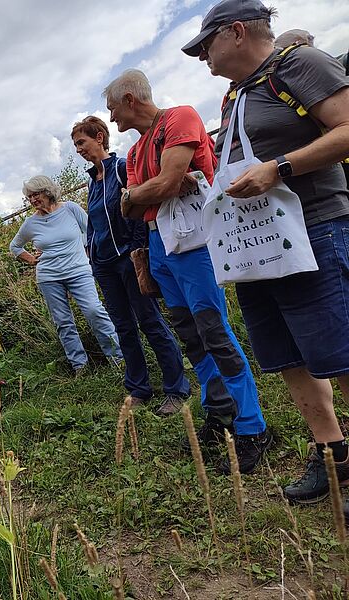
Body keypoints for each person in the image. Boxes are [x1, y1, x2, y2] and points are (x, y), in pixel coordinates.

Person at [182, 0, 349, 511]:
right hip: (256, 247)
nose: (203, 57)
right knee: (290, 357)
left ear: (236, 32)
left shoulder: (300, 64)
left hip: (313, 229)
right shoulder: (235, 95)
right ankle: (333, 455)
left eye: (207, 44)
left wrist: (279, 168)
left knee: (340, 353)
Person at [104, 68, 270, 474]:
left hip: (195, 242)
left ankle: (252, 427)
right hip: (160, 244)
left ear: (130, 99)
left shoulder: (180, 117)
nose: (112, 119)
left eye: (113, 109)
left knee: (214, 329)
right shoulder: (136, 151)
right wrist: (148, 190)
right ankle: (219, 408)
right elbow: (127, 204)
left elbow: (165, 184)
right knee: (189, 333)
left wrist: (147, 191)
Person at [71, 116, 191, 414]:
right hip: (104, 266)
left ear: (100, 137)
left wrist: (135, 249)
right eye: (75, 145)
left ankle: (176, 388)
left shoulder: (123, 168)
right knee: (123, 327)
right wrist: (92, 254)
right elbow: (95, 223)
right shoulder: (93, 180)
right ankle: (138, 388)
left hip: (128, 260)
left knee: (150, 321)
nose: (78, 150)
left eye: (81, 143)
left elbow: (139, 209)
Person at [9, 175, 123, 376]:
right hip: (49, 277)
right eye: (29, 197)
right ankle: (79, 365)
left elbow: (92, 233)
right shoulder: (30, 223)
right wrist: (32, 260)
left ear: (48, 191)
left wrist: (89, 256)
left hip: (79, 271)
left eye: (36, 194)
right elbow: (15, 246)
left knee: (93, 310)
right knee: (63, 321)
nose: (33, 200)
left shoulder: (70, 209)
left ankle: (118, 358)